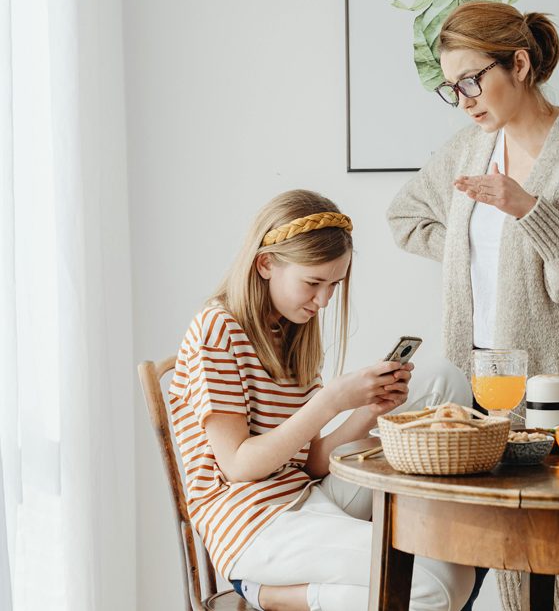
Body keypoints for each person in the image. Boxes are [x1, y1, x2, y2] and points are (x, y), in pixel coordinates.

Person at [387, 1, 559, 611]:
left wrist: (530, 210)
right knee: (494, 553)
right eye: (453, 88)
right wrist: (467, 248)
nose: (465, 98)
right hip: (479, 384)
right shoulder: (469, 150)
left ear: (519, 64)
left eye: (473, 80)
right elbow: (404, 215)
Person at [168, 189, 475, 611]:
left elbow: (309, 461)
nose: (325, 300)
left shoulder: (293, 330)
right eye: (313, 283)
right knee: (435, 585)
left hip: (306, 493)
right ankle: (270, 593)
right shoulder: (217, 329)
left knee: (442, 379)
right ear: (265, 264)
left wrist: (370, 410)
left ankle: (425, 530)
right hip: (252, 523)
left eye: (334, 284)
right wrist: (332, 401)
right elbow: (239, 466)